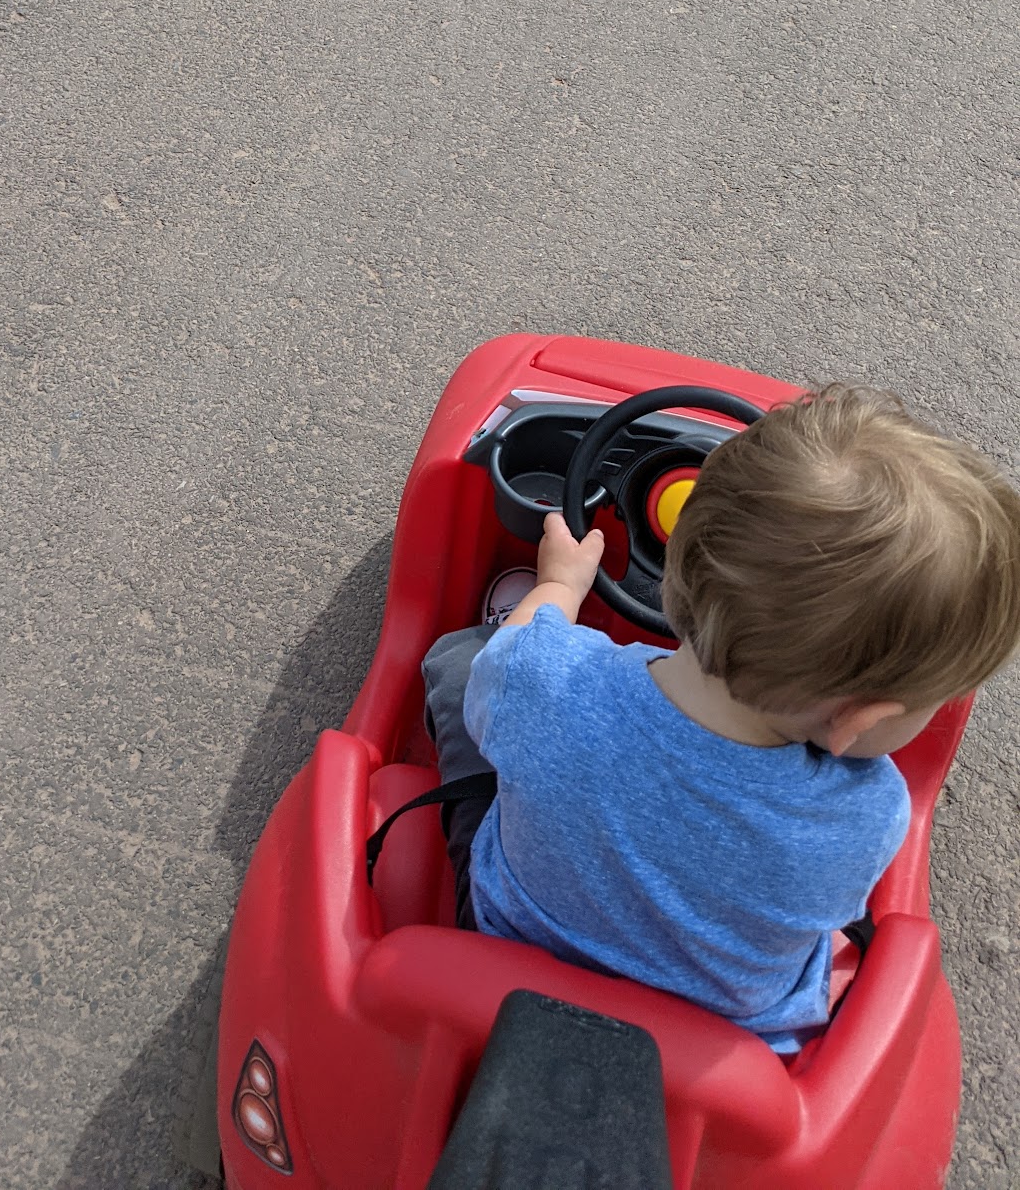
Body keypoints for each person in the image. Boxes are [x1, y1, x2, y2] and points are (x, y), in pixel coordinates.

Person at [420, 385, 1020, 1050]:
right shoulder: (869, 813)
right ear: (858, 720)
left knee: (466, 663)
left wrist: (558, 589)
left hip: (512, 958)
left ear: (671, 577)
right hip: (722, 1044)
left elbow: (516, 666)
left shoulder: (547, 676)